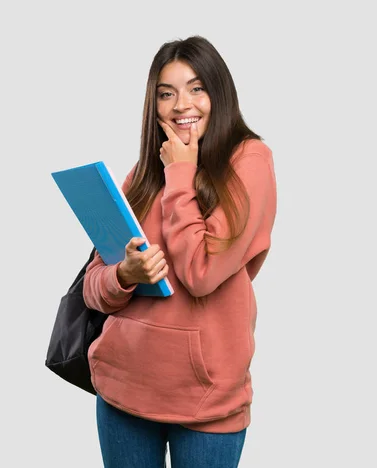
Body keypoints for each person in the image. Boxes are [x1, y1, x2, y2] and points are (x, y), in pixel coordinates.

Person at [83, 35, 277, 468]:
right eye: (166, 93)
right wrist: (125, 275)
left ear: (218, 93)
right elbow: (93, 288)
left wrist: (182, 172)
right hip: (122, 389)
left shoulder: (249, 161)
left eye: (196, 88)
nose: (180, 105)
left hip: (206, 402)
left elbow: (201, 272)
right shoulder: (146, 170)